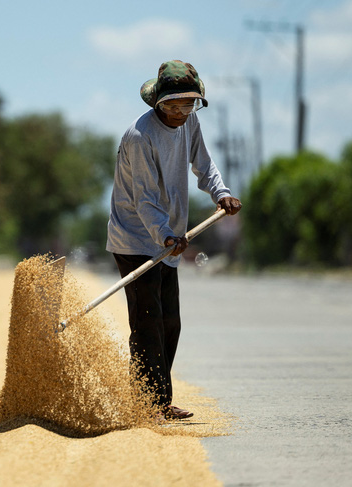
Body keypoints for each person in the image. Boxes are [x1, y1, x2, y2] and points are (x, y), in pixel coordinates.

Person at [106, 60, 242, 421]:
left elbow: (203, 162)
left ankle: (149, 399)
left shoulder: (189, 123)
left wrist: (221, 192)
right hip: (136, 238)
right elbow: (145, 200)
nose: (180, 113)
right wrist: (164, 234)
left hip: (169, 237)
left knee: (170, 322)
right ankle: (152, 404)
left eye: (188, 105)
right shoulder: (140, 137)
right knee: (148, 319)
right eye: (172, 106)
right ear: (157, 103)